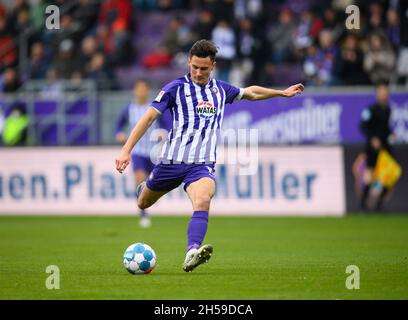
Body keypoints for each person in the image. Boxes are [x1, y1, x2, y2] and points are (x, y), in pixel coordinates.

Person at [115, 39, 304, 272]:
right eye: (194, 67)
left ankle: (192, 251)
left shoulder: (221, 90)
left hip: (202, 164)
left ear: (213, 66)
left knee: (203, 199)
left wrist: (281, 93)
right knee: (144, 201)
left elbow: (250, 92)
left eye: (204, 68)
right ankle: (143, 189)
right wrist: (126, 150)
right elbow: (149, 117)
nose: (198, 72)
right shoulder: (175, 88)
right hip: (172, 161)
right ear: (189, 63)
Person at [115, 79, 170, 228]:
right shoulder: (129, 109)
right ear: (135, 91)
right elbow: (119, 125)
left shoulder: (154, 108)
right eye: (138, 89)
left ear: (147, 91)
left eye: (144, 89)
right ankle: (143, 214)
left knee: (154, 185)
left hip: (153, 153)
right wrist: (119, 134)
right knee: (139, 180)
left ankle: (149, 202)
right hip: (138, 152)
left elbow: (166, 126)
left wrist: (163, 134)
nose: (141, 92)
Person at [359, 83, 394, 212]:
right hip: (372, 148)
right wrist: (372, 138)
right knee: (369, 175)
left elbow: (385, 128)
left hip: (385, 147)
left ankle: (379, 204)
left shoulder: (388, 110)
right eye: (381, 92)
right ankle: (363, 204)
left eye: (385, 92)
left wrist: (391, 133)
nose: (384, 94)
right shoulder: (371, 110)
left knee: (390, 174)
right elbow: (363, 126)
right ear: (377, 94)